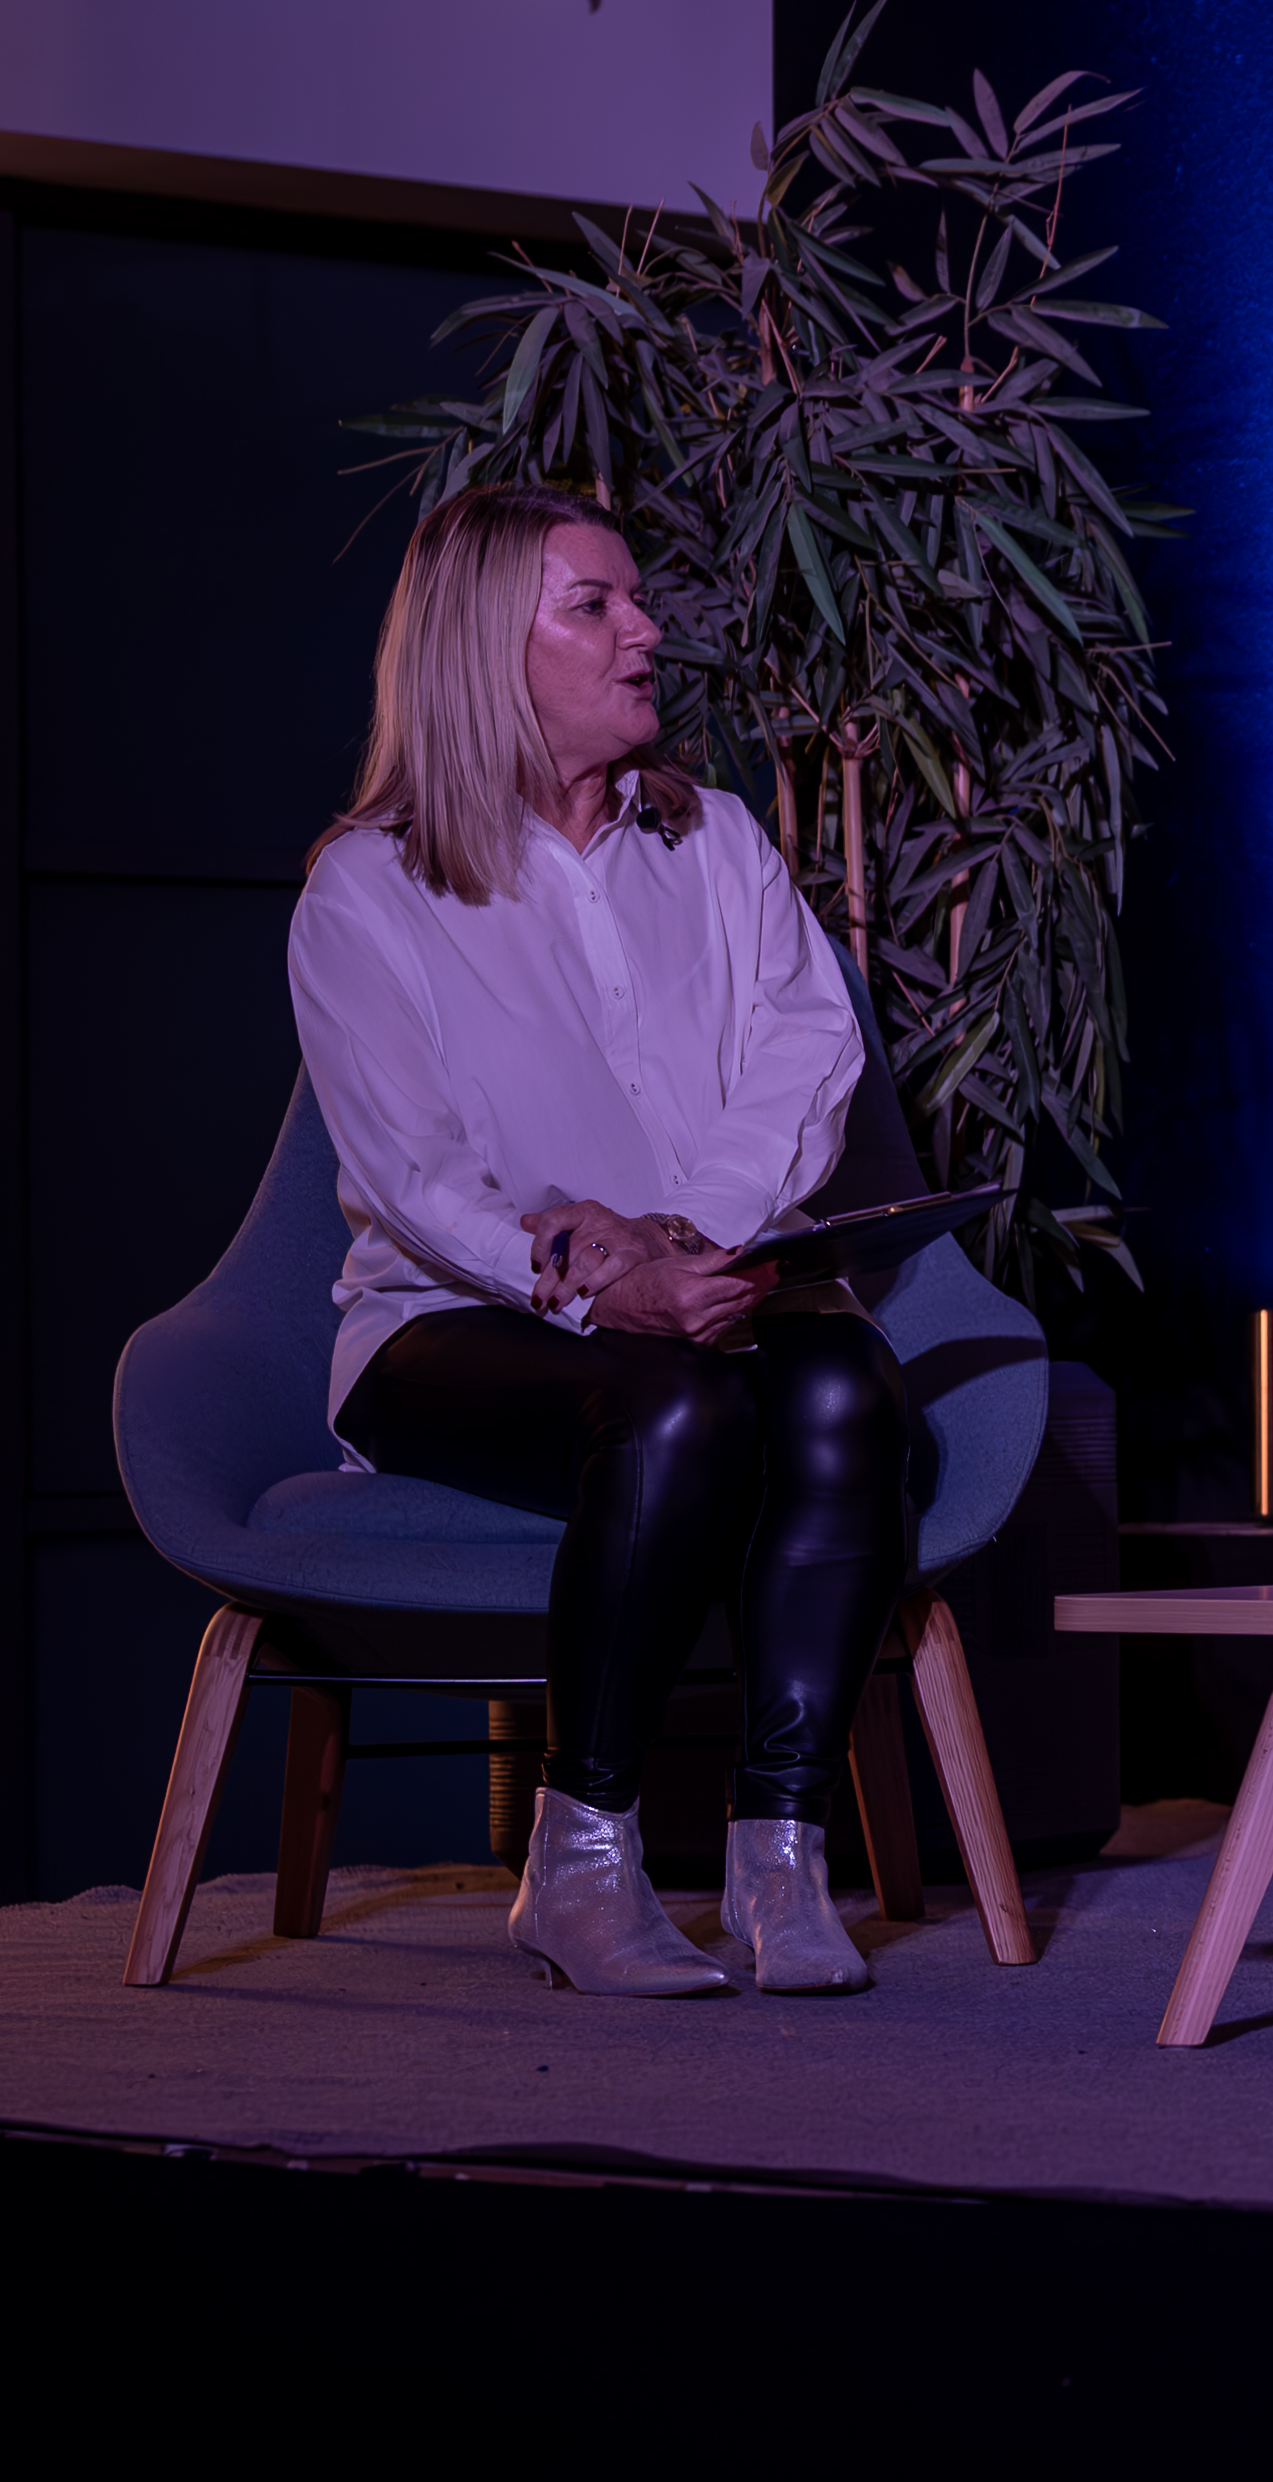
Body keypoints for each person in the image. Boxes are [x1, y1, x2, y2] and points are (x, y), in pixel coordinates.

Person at [291, 485, 896, 1999]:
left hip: (708, 1276)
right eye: (596, 605)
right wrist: (597, 1285)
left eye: (638, 599)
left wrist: (685, 1237)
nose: (647, 630)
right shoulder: (367, 888)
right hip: (446, 1325)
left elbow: (808, 1049)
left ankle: (780, 1852)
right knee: (676, 1403)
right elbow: (416, 1177)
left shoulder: (717, 841)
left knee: (843, 1385)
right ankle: (578, 1864)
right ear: (485, 648)